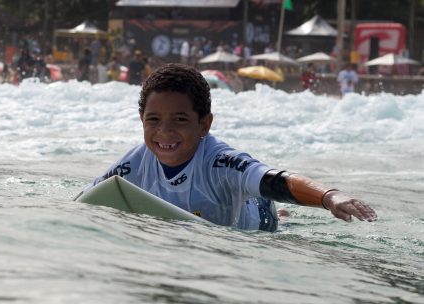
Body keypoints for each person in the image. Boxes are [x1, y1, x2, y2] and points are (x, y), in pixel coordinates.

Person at [80, 64, 376, 232]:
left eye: (180, 120)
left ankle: (285, 216)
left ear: (204, 124)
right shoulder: (133, 164)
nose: (164, 131)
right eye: (153, 120)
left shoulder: (221, 161)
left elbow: (276, 180)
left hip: (256, 219)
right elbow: (86, 200)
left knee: (278, 215)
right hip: (191, 221)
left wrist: (329, 196)